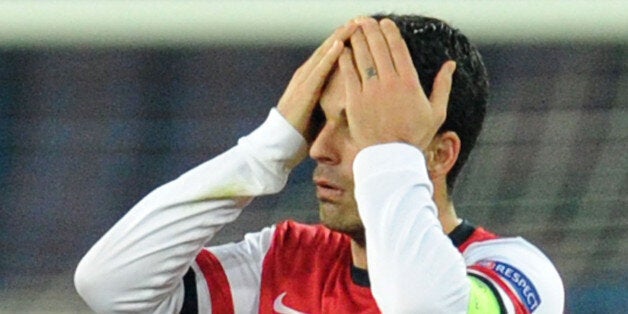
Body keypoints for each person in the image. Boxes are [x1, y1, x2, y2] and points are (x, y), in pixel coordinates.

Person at [75, 14, 564, 313]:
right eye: (319, 121)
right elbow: (111, 286)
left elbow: (426, 308)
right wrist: (266, 149)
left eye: (356, 127)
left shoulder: (511, 272)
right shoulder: (285, 263)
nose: (318, 149)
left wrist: (389, 154)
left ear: (438, 154)